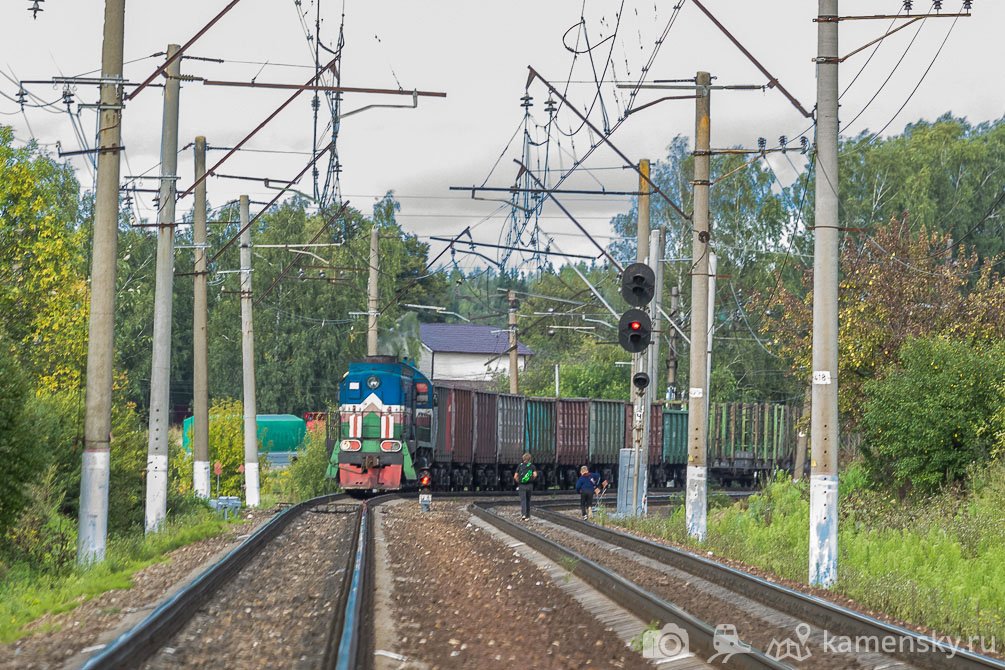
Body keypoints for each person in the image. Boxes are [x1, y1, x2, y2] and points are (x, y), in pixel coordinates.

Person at [513, 452, 538, 520]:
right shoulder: (532, 466)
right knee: (528, 500)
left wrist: (519, 481)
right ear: (530, 459)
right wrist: (531, 479)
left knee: (523, 500)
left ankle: (523, 514)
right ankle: (528, 516)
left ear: (523, 459)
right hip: (530, 485)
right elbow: (535, 475)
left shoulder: (520, 466)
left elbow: (515, 476)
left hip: (521, 486)